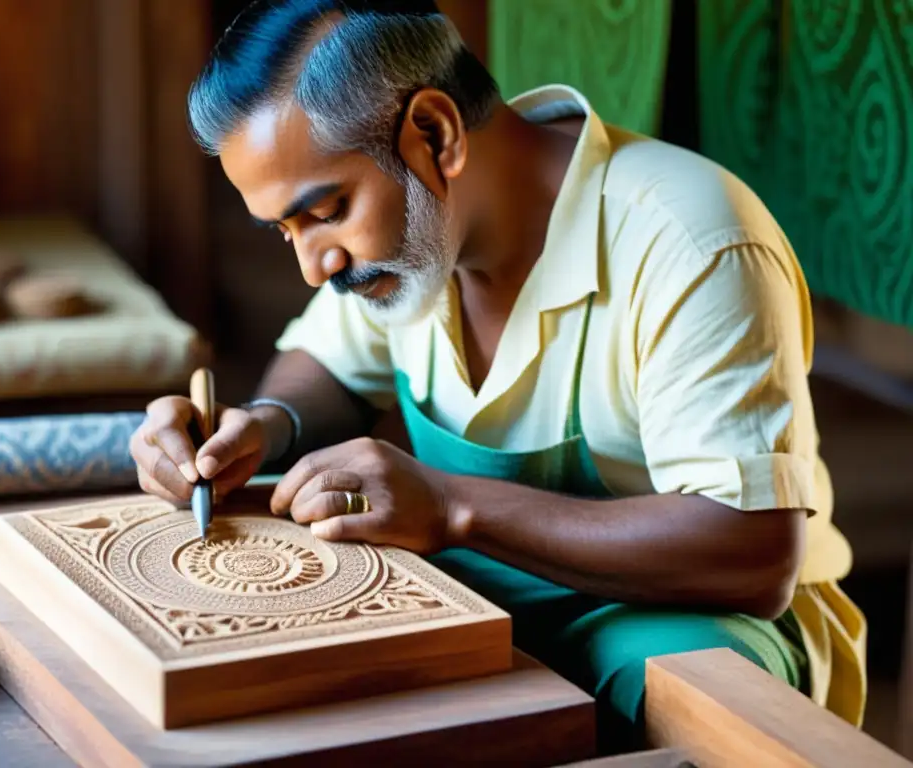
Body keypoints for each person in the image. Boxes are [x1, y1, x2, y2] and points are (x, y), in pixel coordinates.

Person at [129, 0, 866, 751]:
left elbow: (752, 555)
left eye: (326, 211)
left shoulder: (692, 237)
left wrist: (452, 506)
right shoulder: (412, 247)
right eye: (285, 229)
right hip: (485, 596)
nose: (314, 265)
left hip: (689, 618)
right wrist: (262, 425)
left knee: (673, 689)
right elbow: (326, 369)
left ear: (435, 135)